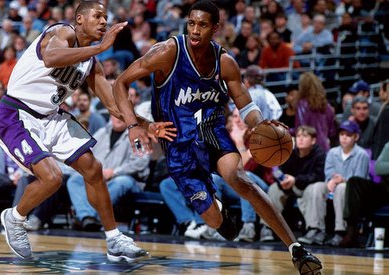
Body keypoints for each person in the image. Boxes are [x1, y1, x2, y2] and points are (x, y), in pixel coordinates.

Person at [112, 1, 322, 274]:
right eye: (191, 23)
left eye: (202, 25)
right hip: (178, 144)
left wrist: (259, 124)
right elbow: (119, 83)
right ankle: (221, 214)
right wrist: (136, 126)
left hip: (212, 132)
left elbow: (245, 105)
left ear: (215, 28)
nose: (195, 30)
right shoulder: (167, 52)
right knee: (215, 222)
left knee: (239, 178)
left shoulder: (225, 61)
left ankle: (296, 249)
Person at [0, 1, 173, 262]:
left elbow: (113, 104)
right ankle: (15, 217)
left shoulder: (90, 62)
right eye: (97, 16)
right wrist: (100, 47)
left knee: (93, 169)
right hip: (16, 114)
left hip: (50, 116)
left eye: (106, 18)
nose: (103, 22)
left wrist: (145, 125)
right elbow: (53, 57)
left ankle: (114, 239)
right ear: (79, 19)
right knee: (52, 178)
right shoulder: (61, 32)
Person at [67, 115, 150, 231]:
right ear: (111, 116)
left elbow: (141, 163)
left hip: (129, 180)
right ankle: (86, 216)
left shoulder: (137, 136)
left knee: (120, 182)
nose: (118, 119)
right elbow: (87, 153)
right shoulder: (102, 132)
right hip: (100, 177)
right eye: (116, 115)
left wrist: (114, 172)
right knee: (74, 180)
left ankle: (88, 217)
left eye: (122, 116)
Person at [262, 125, 326, 245]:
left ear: (313, 140)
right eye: (298, 136)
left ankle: (314, 229)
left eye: (305, 136)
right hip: (291, 186)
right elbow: (280, 171)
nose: (300, 139)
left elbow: (318, 176)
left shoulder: (320, 154)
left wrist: (295, 180)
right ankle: (267, 227)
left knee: (315, 188)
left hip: (309, 187)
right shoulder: (290, 153)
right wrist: (283, 181)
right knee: (274, 189)